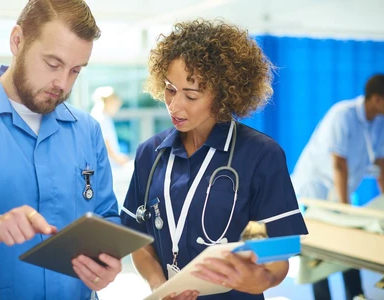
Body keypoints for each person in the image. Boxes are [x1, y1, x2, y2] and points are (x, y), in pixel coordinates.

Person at [121, 19, 308, 300]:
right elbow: (138, 238)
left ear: (222, 95)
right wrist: (158, 285)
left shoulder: (260, 155)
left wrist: (258, 280)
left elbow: (278, 254)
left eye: (191, 95)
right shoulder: (151, 153)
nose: (174, 105)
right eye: (170, 89)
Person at [0, 1, 122, 299]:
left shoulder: (87, 130)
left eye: (75, 70)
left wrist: (108, 261)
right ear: (17, 41)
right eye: (53, 64)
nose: (62, 83)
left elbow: (106, 215)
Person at [291, 74, 384, 300]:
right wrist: (345, 208)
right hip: (316, 187)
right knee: (319, 247)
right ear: (377, 99)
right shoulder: (343, 115)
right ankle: (323, 298)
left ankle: (355, 294)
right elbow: (338, 164)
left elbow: (380, 161)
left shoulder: (382, 121)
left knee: (349, 244)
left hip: (341, 188)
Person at [91, 86, 130, 167]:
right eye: (116, 105)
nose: (116, 108)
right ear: (108, 101)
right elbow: (104, 142)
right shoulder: (100, 118)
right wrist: (117, 158)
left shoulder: (105, 117)